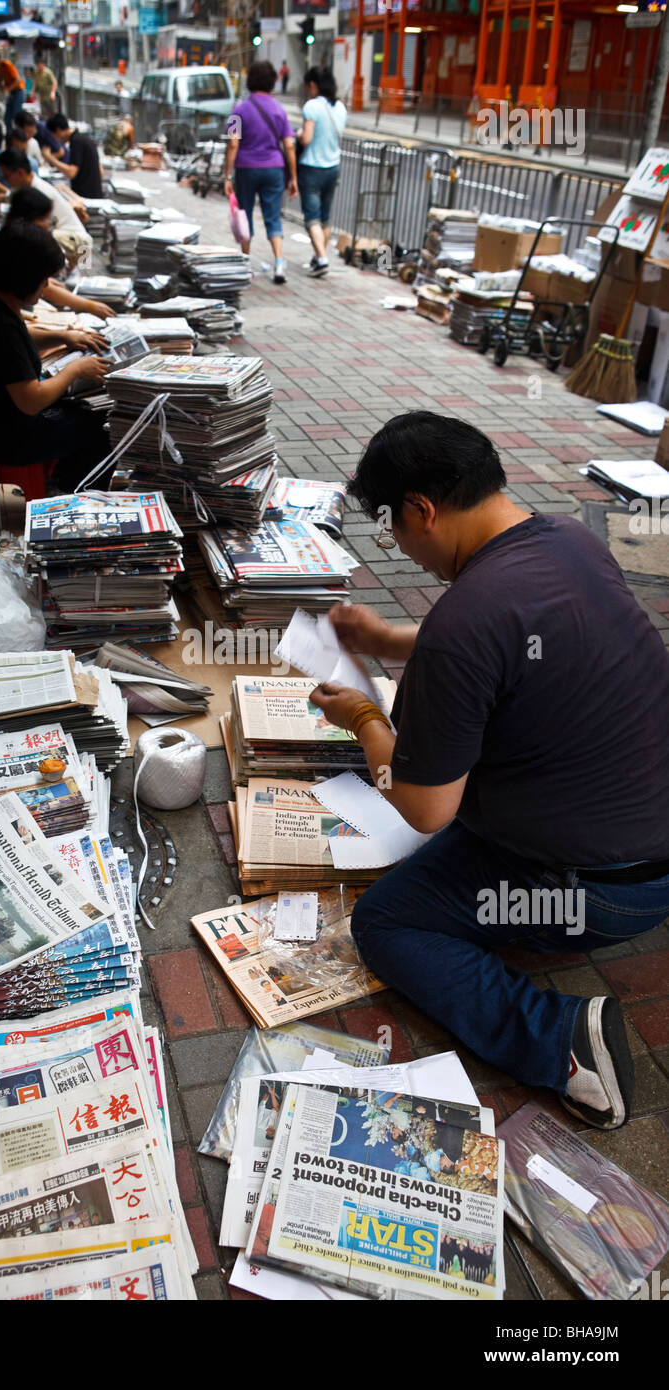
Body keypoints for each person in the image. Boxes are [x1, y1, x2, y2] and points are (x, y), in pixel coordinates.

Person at [309, 411, 669, 1131]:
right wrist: (387, 639)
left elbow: (424, 808)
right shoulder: (567, 538)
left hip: (599, 893)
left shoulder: (462, 624)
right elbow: (511, 636)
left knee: (386, 921)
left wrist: (365, 722)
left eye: (395, 530)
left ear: (422, 510)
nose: (402, 549)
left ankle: (564, 1042)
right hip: (648, 838)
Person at [0, 223, 112, 493]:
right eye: (43, 279)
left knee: (82, 405)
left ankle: (63, 477)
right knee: (105, 425)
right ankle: (73, 494)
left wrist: (62, 336)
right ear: (23, 279)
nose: (47, 286)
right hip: (9, 439)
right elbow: (31, 399)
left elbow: (20, 338)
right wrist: (74, 370)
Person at [0, 186, 114, 326]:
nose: (48, 225)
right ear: (29, 218)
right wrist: (89, 306)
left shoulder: (9, 230)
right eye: (45, 220)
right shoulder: (9, 241)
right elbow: (41, 288)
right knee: (26, 305)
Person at [222, 60, 297, 285]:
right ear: (273, 82)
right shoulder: (279, 110)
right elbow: (289, 145)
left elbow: (233, 144)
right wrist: (293, 177)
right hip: (274, 168)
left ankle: (245, 262)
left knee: (244, 213)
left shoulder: (239, 110)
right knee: (273, 216)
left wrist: (226, 175)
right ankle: (279, 262)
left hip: (246, 168)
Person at [297, 66, 347, 278]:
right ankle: (319, 257)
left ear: (314, 85)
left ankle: (322, 258)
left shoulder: (312, 106)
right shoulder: (341, 108)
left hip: (312, 168)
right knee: (325, 218)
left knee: (312, 218)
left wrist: (299, 134)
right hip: (333, 167)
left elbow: (306, 138)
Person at [45, 114, 103, 199]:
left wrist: (50, 158)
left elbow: (71, 173)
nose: (56, 140)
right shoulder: (84, 138)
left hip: (85, 197)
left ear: (58, 130)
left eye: (54, 136)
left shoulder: (76, 142)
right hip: (95, 194)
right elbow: (101, 172)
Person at [0, 48, 25, 129]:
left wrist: (8, 89)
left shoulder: (7, 64)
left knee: (16, 116)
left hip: (18, 91)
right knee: (7, 118)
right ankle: (9, 135)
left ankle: (17, 135)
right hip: (11, 93)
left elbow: (18, 80)